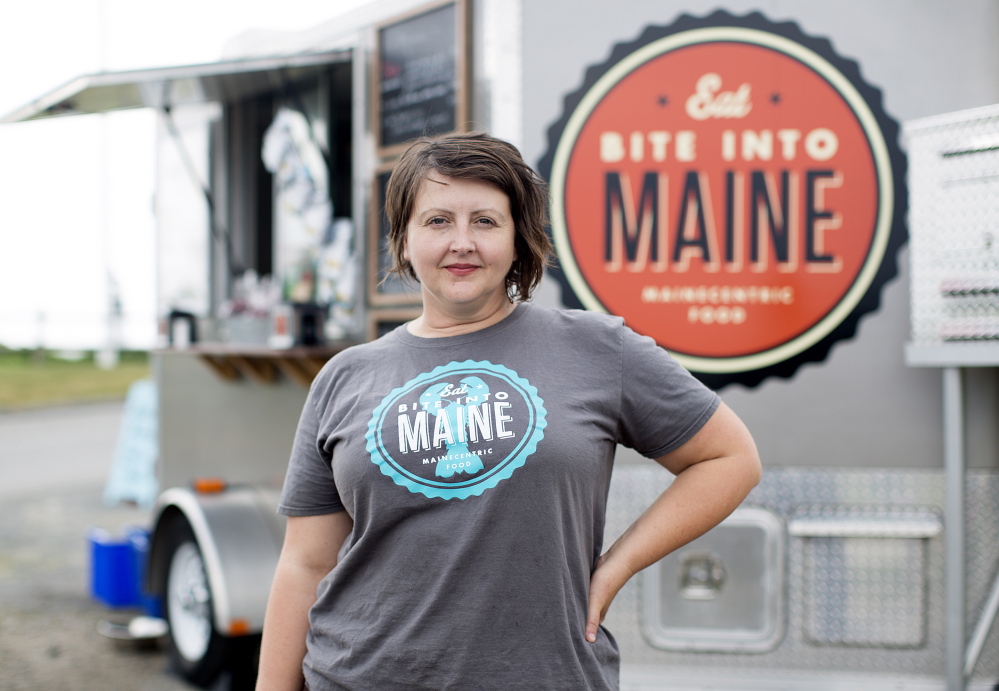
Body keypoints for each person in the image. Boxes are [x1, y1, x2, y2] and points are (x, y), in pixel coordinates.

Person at [256, 132, 761, 691]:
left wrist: (616, 566)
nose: (462, 242)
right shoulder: (344, 378)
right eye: (437, 220)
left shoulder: (598, 348)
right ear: (403, 242)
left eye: (486, 222)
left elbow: (729, 458)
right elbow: (305, 565)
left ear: (520, 239)